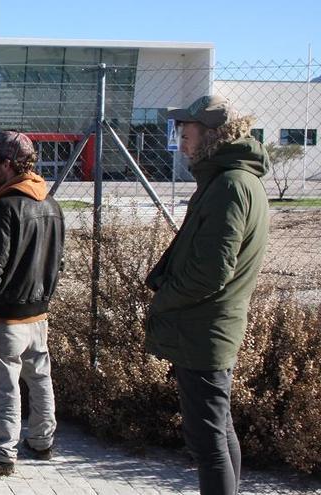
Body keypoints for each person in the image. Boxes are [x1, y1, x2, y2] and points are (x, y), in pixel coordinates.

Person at [145, 95, 269, 495]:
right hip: (208, 327)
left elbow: (211, 272)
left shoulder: (231, 185)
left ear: (213, 134)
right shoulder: (231, 179)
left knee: (208, 442)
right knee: (218, 430)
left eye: (187, 130)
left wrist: (163, 297)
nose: (181, 138)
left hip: (205, 330)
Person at [0, 131, 64, 476]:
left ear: (7, 165)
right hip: (38, 311)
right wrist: (44, 297)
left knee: (5, 385)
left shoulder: (5, 205)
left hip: (6, 314)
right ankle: (42, 441)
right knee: (39, 377)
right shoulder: (50, 203)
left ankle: (3, 453)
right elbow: (57, 262)